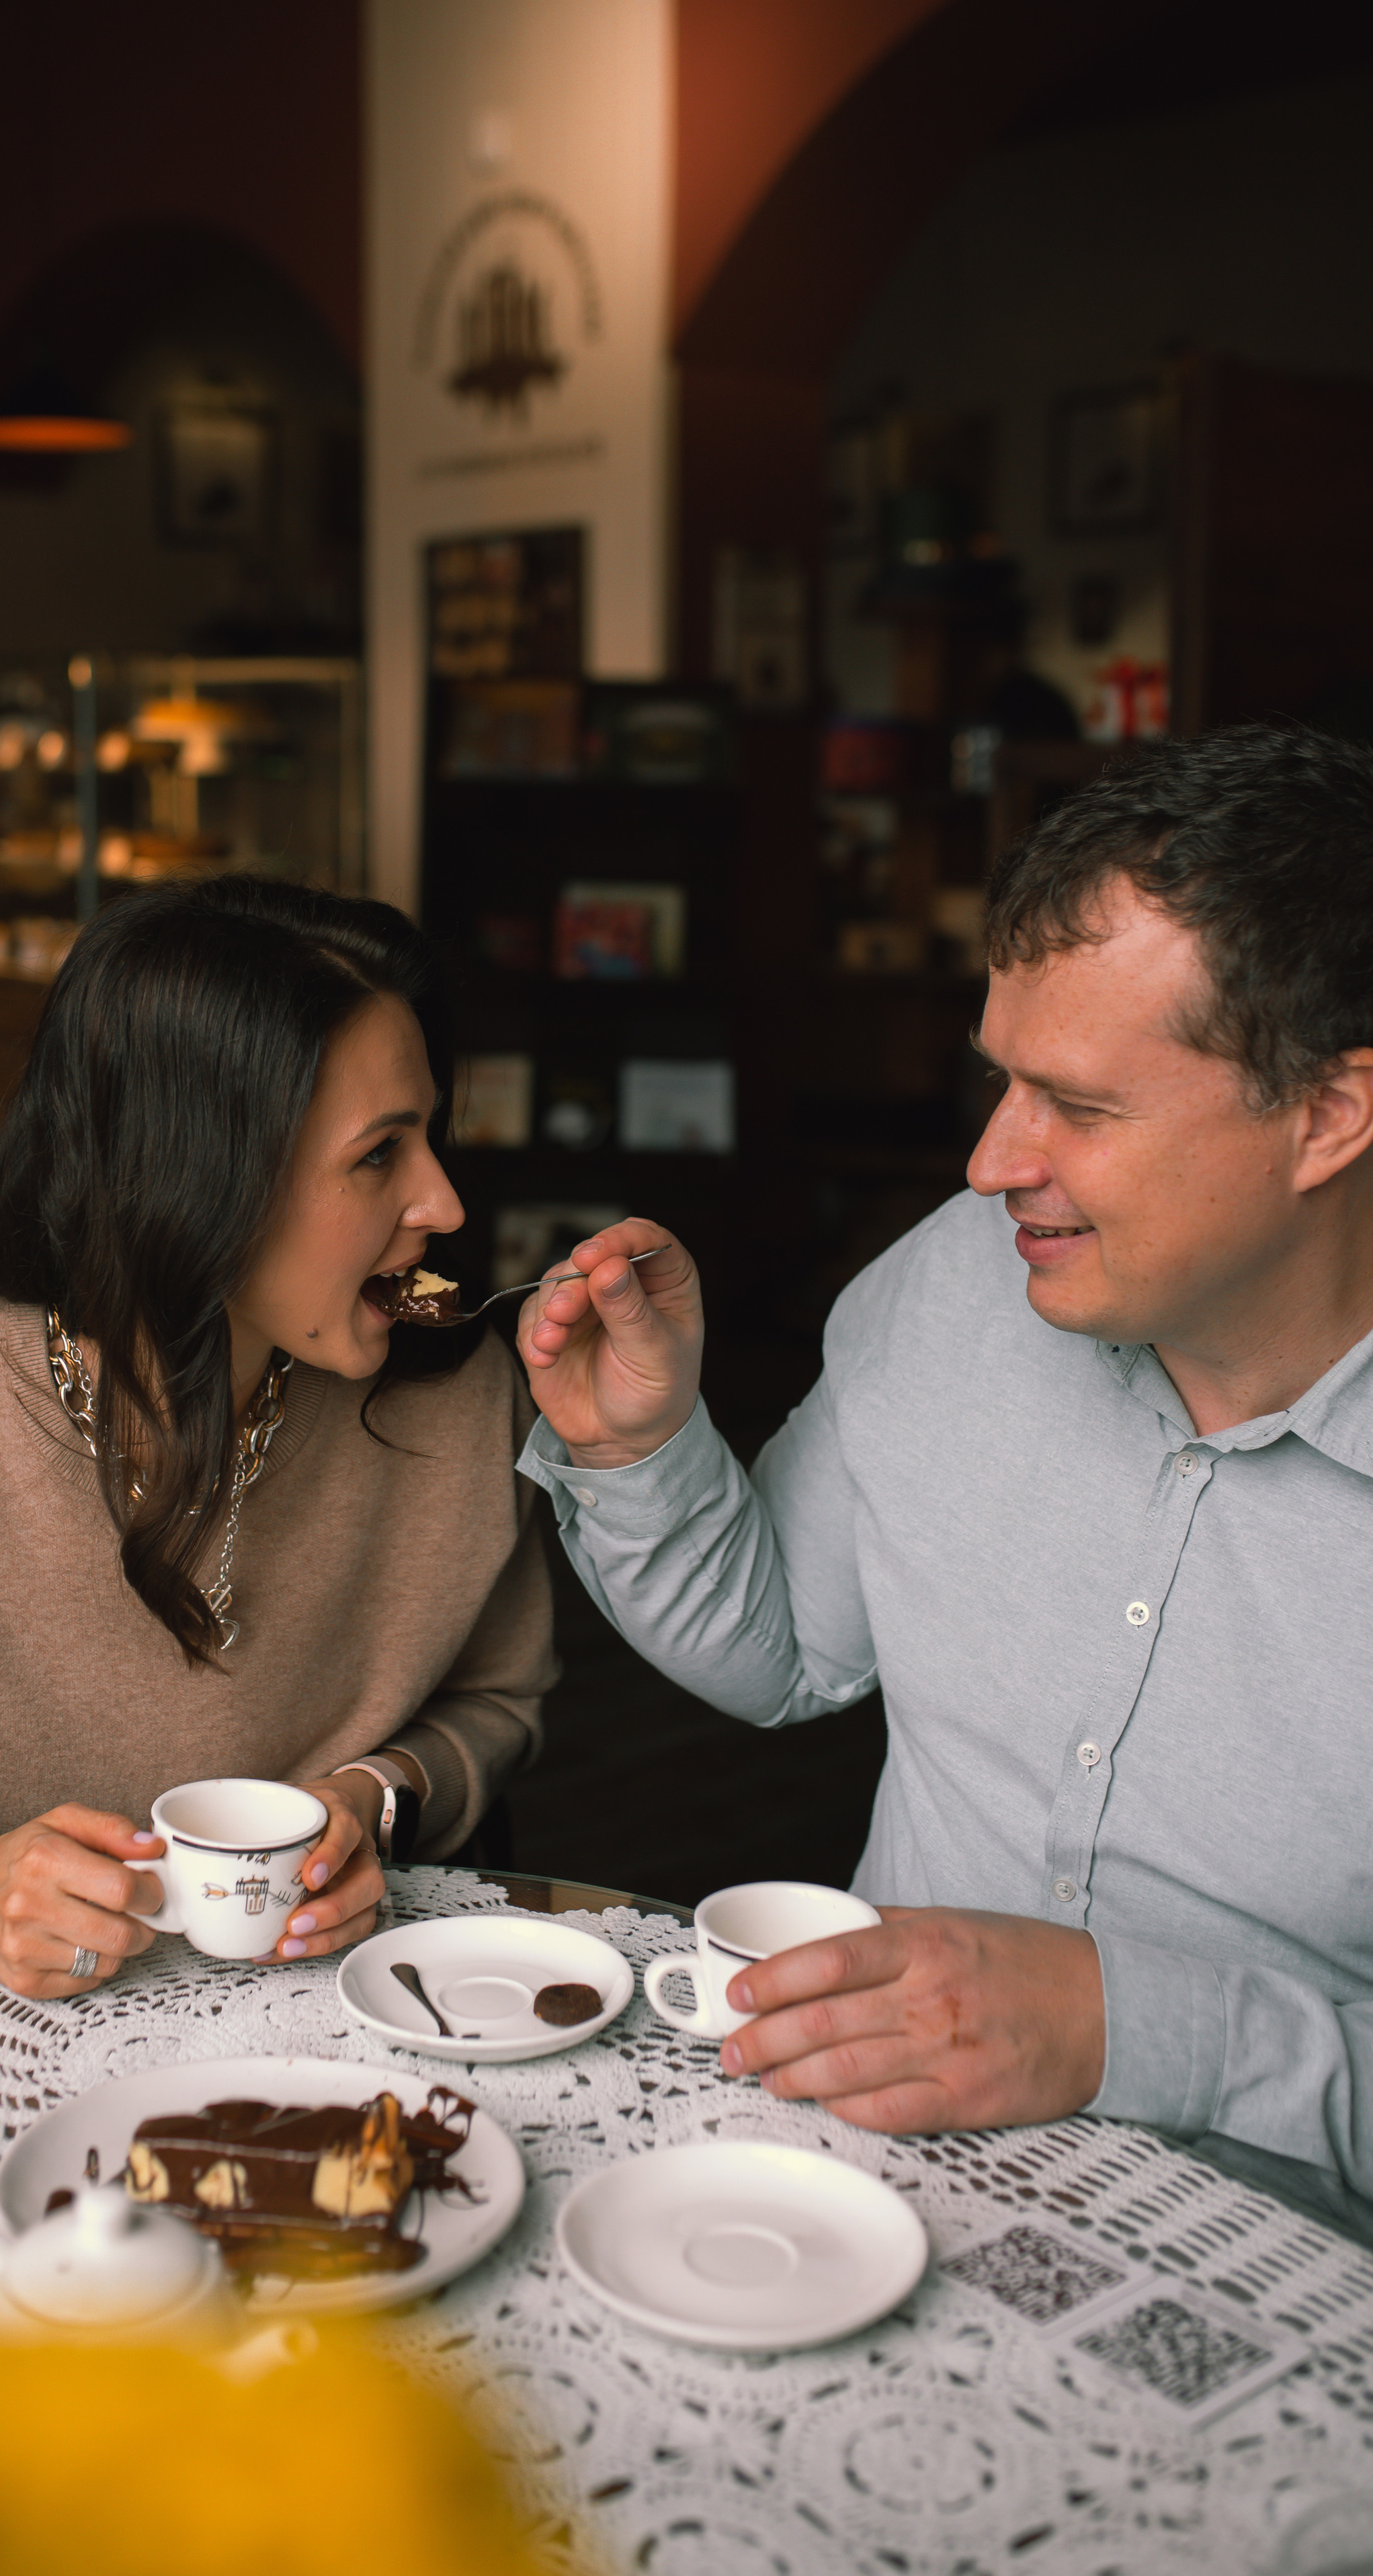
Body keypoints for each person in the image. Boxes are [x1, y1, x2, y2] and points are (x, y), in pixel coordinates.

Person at [516, 723, 1373, 2235]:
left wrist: (1138, 2027)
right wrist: (637, 1447)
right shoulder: (958, 1286)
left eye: (1080, 1108)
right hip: (867, 2199)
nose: (989, 1163)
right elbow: (788, 1645)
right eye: (1000, 1082)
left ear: (1327, 1116)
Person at [0, 874, 554, 1995]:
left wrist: (373, 1799)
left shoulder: (460, 1392)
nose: (445, 1204)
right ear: (197, 1179)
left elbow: (498, 1700)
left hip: (365, 2023)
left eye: (430, 1133)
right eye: (380, 1154)